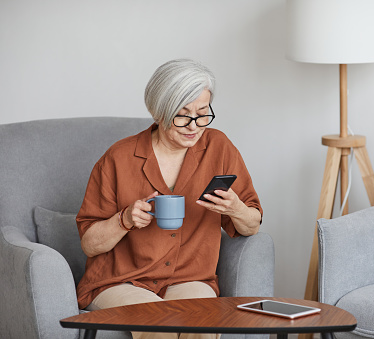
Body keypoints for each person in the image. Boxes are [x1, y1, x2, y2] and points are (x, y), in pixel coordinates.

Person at [76, 59, 263, 339]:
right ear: (158, 112)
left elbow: (252, 226)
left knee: (203, 324)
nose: (194, 126)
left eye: (202, 113)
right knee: (159, 326)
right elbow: (89, 245)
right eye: (182, 115)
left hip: (190, 279)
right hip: (120, 282)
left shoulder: (219, 148)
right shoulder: (118, 157)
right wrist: (124, 220)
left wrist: (236, 208)